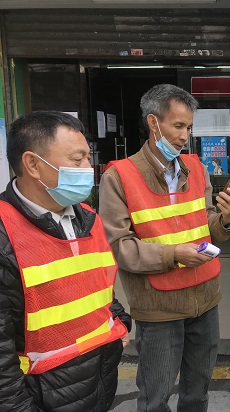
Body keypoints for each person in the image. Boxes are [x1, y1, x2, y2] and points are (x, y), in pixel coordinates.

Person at [99, 84, 230, 412]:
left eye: (189, 127)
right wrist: (173, 255)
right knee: (155, 399)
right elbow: (118, 246)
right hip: (159, 309)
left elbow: (208, 225)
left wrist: (227, 219)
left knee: (197, 394)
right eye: (178, 126)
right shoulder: (120, 177)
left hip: (206, 302)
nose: (184, 135)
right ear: (153, 123)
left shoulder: (197, 168)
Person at [0, 111, 131, 411]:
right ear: (33, 164)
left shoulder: (87, 218)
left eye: (87, 158)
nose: (89, 168)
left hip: (97, 385)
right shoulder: (5, 233)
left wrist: (118, 321)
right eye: (77, 159)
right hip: (42, 397)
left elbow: (97, 287)